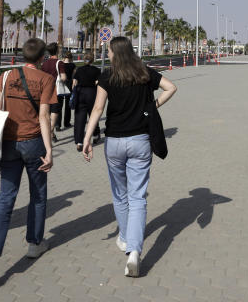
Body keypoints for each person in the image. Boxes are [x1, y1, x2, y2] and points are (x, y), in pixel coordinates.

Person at [82, 37, 177, 277]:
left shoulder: (107, 76)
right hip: (140, 141)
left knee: (120, 193)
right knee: (138, 196)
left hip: (114, 142)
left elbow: (97, 109)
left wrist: (87, 138)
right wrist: (151, 107)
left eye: (110, 51)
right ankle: (134, 252)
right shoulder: (144, 72)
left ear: (114, 53)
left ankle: (125, 238)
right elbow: (171, 87)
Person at [0, 38, 56, 291]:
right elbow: (43, 116)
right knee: (38, 195)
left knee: (5, 197)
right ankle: (34, 243)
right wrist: (49, 150)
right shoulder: (45, 79)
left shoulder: (6, 76)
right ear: (42, 58)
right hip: (33, 143)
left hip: (7, 144)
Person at [72, 52, 101, 152]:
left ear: (84, 60)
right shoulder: (96, 70)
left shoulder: (79, 70)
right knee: (93, 116)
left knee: (80, 118)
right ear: (92, 60)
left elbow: (74, 83)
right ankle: (96, 134)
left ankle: (79, 142)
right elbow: (98, 83)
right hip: (92, 93)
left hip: (80, 94)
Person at [39, 42, 68, 141]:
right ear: (57, 50)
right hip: (56, 90)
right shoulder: (59, 63)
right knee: (55, 111)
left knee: (47, 112)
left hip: (45, 90)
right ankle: (50, 131)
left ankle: (51, 134)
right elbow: (63, 77)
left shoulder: (44, 64)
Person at [58, 52, 75, 130]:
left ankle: (58, 124)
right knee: (68, 105)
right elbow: (74, 76)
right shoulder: (73, 65)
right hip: (69, 84)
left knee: (59, 105)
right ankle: (66, 123)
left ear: (63, 57)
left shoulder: (60, 65)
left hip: (61, 84)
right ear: (71, 58)